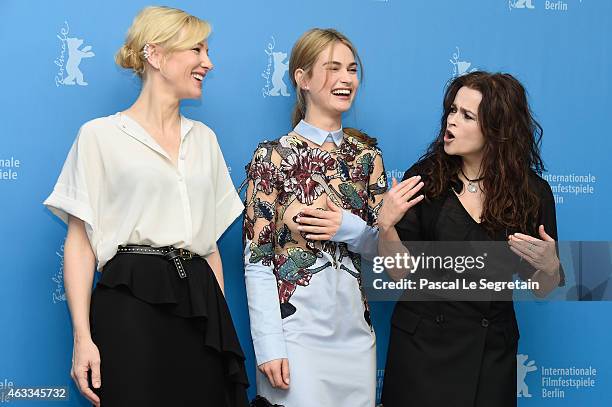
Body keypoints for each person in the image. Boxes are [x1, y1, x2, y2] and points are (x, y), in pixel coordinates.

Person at [43, 6, 248, 406]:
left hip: (200, 305)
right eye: (197, 50)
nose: (209, 63)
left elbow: (209, 248)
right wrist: (82, 339)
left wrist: (219, 323)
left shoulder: (204, 139)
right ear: (155, 55)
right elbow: (81, 244)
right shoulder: (99, 136)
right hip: (130, 305)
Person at [379, 71, 564, 407]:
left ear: (496, 129)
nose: (451, 121)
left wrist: (550, 266)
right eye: (452, 110)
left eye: (466, 116)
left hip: (489, 355)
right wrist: (387, 227)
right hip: (422, 353)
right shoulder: (424, 179)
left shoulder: (532, 193)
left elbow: (542, 287)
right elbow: (398, 272)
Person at [242, 28, 386, 406]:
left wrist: (350, 229)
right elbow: (257, 262)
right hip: (295, 337)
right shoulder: (272, 157)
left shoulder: (367, 158)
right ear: (301, 79)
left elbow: (385, 253)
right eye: (332, 68)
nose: (345, 79)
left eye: (351, 69)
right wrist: (269, 345)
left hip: (356, 338)